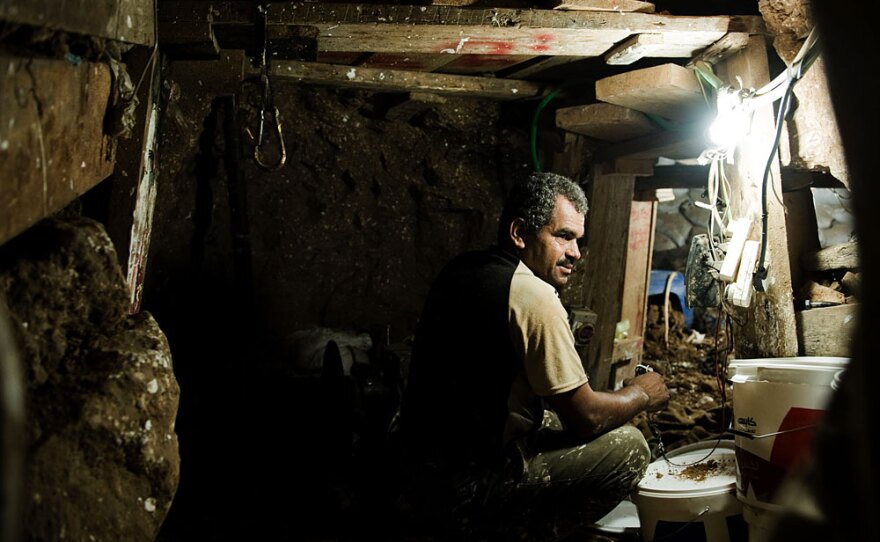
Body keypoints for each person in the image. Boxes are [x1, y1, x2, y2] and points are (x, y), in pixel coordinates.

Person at [398, 172, 670, 541]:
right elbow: (586, 418)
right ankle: (519, 531)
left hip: (414, 468)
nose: (575, 252)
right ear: (520, 232)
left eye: (578, 240)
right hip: (465, 487)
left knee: (546, 419)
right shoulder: (533, 296)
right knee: (629, 447)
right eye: (563, 236)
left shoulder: (461, 270)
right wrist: (640, 393)